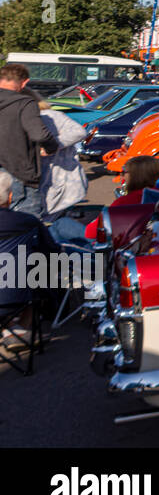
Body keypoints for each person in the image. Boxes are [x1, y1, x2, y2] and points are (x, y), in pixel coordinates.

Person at [0, 169, 59, 350]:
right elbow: (52, 253)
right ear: (10, 197)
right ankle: (16, 329)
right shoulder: (26, 221)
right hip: (13, 298)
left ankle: (11, 329)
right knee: (39, 272)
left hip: (10, 297)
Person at [27, 89, 89, 244]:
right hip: (47, 183)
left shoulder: (50, 116)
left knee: (54, 227)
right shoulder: (26, 119)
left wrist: (51, 145)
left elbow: (79, 132)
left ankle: (93, 253)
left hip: (61, 180)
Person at [0, 63, 58, 218]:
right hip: (18, 170)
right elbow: (39, 134)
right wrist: (52, 147)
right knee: (24, 222)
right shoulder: (24, 103)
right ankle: (21, 244)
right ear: (24, 82)